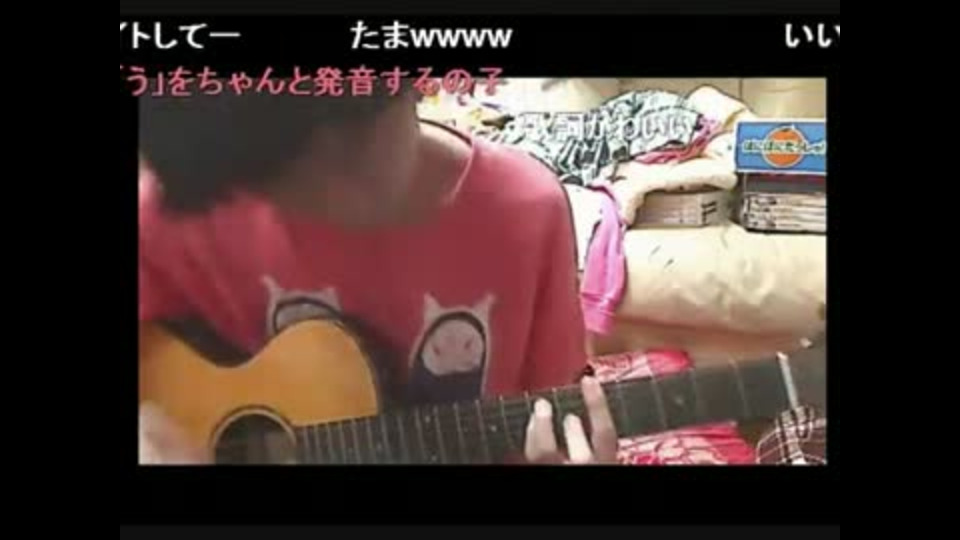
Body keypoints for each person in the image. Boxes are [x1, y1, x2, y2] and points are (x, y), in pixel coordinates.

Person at [138, 81, 618, 465]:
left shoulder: (526, 213)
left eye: (354, 139)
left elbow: (556, 416)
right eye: (291, 170)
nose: (335, 189)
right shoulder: (186, 204)